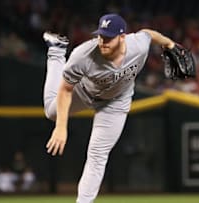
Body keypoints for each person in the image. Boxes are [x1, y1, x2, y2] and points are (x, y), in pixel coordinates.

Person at [43, 13, 176, 203]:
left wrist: (169, 44)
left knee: (98, 154)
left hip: (115, 102)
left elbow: (148, 34)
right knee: (51, 112)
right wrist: (61, 127)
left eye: (108, 38)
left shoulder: (137, 46)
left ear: (122, 37)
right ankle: (56, 52)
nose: (102, 41)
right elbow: (65, 89)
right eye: (100, 36)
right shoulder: (83, 54)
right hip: (85, 92)